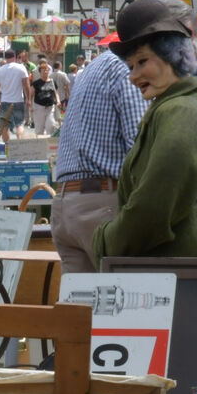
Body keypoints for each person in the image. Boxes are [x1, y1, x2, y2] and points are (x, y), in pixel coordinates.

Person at [91, 0, 197, 266]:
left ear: (174, 56)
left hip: (189, 275)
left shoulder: (179, 110)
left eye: (142, 61)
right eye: (131, 66)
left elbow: (153, 208)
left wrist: (104, 241)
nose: (133, 76)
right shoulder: (168, 107)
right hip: (181, 270)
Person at [51, 43, 148, 273]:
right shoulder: (126, 69)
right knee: (127, 292)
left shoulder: (96, 65)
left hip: (66, 201)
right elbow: (140, 149)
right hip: (100, 203)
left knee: (81, 296)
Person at [0, 49, 31, 144]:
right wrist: (29, 99)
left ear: (5, 58)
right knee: (19, 124)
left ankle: (7, 146)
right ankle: (20, 144)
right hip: (18, 100)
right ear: (14, 57)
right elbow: (26, 85)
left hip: (5, 101)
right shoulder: (21, 68)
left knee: (4, 126)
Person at [30, 61, 59, 135]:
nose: (45, 72)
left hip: (50, 108)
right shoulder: (36, 83)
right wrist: (30, 106)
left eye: (47, 70)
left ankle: (48, 141)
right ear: (40, 72)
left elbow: (56, 93)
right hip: (39, 108)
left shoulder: (52, 82)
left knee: (51, 126)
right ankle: (40, 142)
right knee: (39, 130)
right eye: (43, 70)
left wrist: (58, 101)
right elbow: (30, 95)